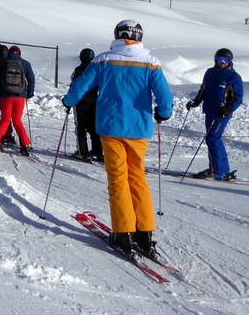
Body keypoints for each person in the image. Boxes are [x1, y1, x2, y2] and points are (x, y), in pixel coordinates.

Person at [62, 20, 173, 258]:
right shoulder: (150, 62)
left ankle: (123, 232)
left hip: (111, 127)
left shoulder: (104, 60)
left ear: (117, 35)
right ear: (139, 36)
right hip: (139, 129)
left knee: (118, 178)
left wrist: (68, 101)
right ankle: (144, 233)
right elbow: (165, 96)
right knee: (137, 177)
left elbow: (81, 85)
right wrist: (163, 113)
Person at [185, 48, 243, 181]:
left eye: (224, 60)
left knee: (212, 138)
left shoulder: (234, 77)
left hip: (222, 113)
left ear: (229, 61)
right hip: (209, 110)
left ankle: (220, 171)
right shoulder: (210, 73)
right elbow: (203, 89)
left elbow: (238, 98)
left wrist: (228, 109)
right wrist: (196, 101)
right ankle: (214, 169)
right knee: (212, 139)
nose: (221, 62)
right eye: (218, 60)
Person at [0, 45, 35, 155]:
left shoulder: (3, 63)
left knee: (5, 119)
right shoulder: (25, 64)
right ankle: (25, 144)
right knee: (17, 120)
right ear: (19, 53)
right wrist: (29, 93)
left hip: (5, 96)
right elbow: (31, 79)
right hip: (20, 97)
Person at [71, 48, 103, 162]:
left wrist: (69, 100)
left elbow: (74, 85)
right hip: (94, 101)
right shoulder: (97, 69)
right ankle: (97, 152)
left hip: (80, 102)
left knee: (81, 128)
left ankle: (83, 152)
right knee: (94, 128)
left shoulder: (78, 69)